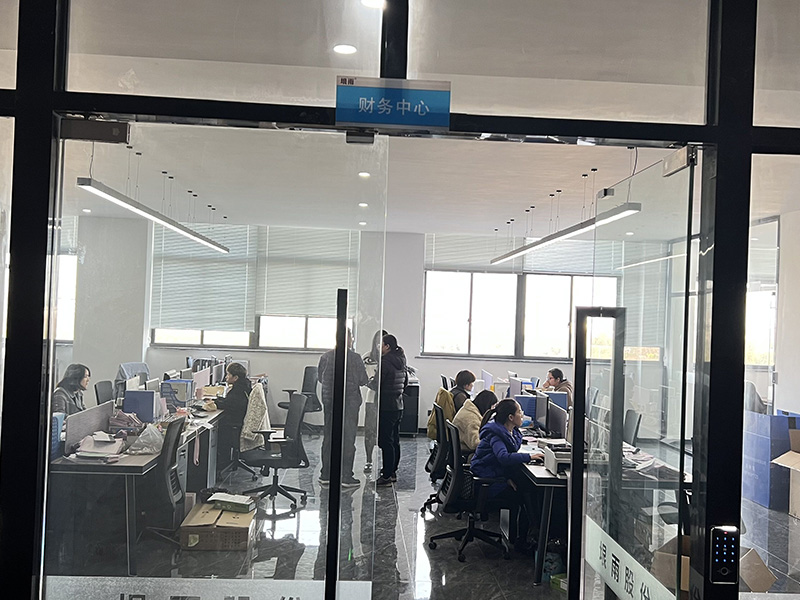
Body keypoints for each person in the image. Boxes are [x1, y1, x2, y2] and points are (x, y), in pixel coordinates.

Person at [471, 398, 542, 546]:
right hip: (486, 483)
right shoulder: (496, 435)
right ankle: (524, 539)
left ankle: (527, 535)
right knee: (525, 495)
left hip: (492, 476)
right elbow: (503, 457)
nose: (522, 415)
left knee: (525, 487)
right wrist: (529, 456)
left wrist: (507, 477)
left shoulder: (507, 431)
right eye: (519, 412)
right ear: (510, 417)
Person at [318, 329, 369, 488]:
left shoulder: (326, 357)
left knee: (329, 436)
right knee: (348, 438)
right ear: (348, 339)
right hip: (350, 402)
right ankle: (346, 476)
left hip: (330, 402)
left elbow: (320, 378)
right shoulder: (355, 358)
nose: (352, 339)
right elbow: (363, 380)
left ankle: (326, 474)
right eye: (351, 337)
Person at [369, 333, 407, 486]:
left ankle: (386, 475)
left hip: (386, 406)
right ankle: (392, 471)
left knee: (385, 441)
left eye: (382, 344)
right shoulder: (401, 360)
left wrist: (369, 381)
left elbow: (377, 384)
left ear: (387, 346)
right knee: (394, 440)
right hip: (398, 405)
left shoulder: (385, 361)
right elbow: (405, 382)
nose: (379, 347)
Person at [214, 362, 252, 464]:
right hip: (239, 420)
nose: (226, 377)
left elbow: (229, 404)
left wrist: (215, 403)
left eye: (228, 374)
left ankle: (221, 462)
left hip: (234, 424)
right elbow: (230, 402)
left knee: (214, 428)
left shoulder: (238, 390)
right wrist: (219, 400)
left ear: (235, 378)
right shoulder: (244, 385)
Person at [362, 329, 387, 473]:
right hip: (371, 398)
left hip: (387, 399)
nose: (380, 344)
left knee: (385, 433)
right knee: (369, 431)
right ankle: (368, 460)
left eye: (383, 342)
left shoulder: (390, 358)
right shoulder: (367, 357)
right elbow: (362, 376)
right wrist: (372, 382)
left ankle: (385, 463)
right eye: (378, 341)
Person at [452, 389, 498, 455]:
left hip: (461, 448)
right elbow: (476, 444)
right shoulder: (471, 420)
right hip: (467, 453)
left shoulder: (469, 410)